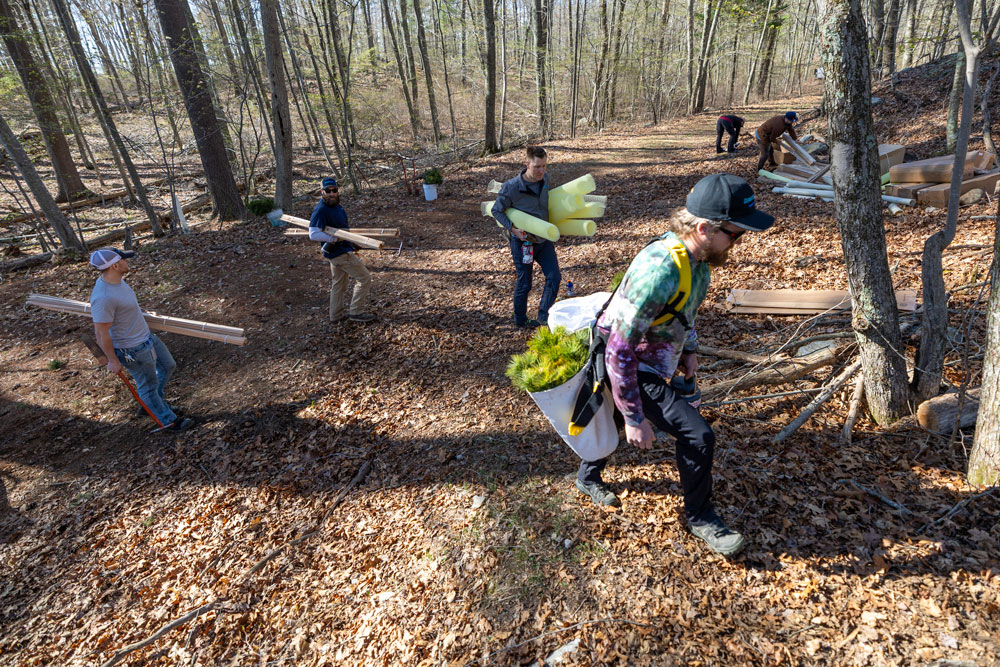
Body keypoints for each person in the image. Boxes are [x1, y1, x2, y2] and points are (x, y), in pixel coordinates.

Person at [574, 174, 774, 557]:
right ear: (703, 228)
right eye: (736, 234)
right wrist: (635, 416)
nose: (738, 243)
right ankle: (701, 518)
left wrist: (689, 350)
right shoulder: (660, 270)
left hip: (654, 359)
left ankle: (587, 475)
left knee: (609, 420)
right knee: (698, 436)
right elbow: (619, 352)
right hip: (632, 366)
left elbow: (686, 311)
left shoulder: (698, 260)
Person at [89, 247, 193, 431]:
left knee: (168, 366)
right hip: (131, 349)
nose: (127, 262)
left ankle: (152, 403)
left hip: (146, 337)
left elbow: (123, 308)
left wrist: (140, 312)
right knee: (147, 385)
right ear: (114, 266)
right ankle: (168, 420)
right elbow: (101, 332)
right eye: (124, 260)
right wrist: (112, 360)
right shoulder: (103, 297)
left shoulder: (118, 281)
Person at [492, 146, 561, 329]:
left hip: (543, 241)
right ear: (527, 164)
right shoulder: (512, 187)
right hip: (523, 243)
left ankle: (543, 316)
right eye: (537, 166)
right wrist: (513, 229)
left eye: (544, 166)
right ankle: (520, 320)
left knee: (554, 277)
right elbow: (496, 210)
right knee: (525, 283)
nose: (541, 171)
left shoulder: (545, 179)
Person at [309, 177, 375, 323]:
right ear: (322, 192)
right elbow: (313, 234)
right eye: (328, 191)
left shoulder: (336, 205)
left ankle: (336, 315)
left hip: (340, 249)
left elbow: (342, 230)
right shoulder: (321, 209)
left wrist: (350, 242)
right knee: (364, 278)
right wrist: (334, 239)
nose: (332, 193)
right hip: (338, 252)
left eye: (334, 190)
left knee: (339, 284)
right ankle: (356, 312)